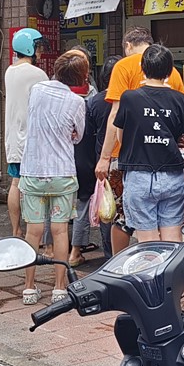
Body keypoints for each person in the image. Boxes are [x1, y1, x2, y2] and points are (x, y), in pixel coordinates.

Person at [95, 27, 184, 252]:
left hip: (135, 167)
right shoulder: (176, 85)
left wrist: (105, 156)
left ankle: (140, 280)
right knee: (173, 241)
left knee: (143, 238)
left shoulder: (126, 78)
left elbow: (116, 120)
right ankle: (173, 284)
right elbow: (183, 132)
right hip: (171, 169)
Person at [19, 51, 88, 306]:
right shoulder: (77, 102)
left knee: (33, 231)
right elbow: (78, 136)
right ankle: (60, 288)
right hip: (62, 172)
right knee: (60, 231)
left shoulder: (37, 90)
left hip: (34, 170)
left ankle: (28, 288)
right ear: (81, 77)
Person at [113, 44, 184, 243]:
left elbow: (121, 138)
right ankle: (172, 275)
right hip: (172, 173)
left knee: (147, 243)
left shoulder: (129, 98)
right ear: (169, 70)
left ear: (143, 67)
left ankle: (151, 275)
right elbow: (183, 135)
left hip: (140, 175)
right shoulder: (180, 99)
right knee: (173, 240)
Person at [70, 55, 122, 266]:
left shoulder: (94, 102)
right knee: (125, 213)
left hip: (103, 163)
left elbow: (86, 138)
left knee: (107, 211)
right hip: (126, 162)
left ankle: (110, 258)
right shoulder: (132, 98)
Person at [4, 28, 49, 239]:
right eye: (38, 47)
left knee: (15, 183)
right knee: (34, 189)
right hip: (32, 140)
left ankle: (16, 230)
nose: (40, 51)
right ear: (30, 47)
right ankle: (35, 234)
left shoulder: (9, 71)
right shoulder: (37, 74)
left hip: (13, 139)